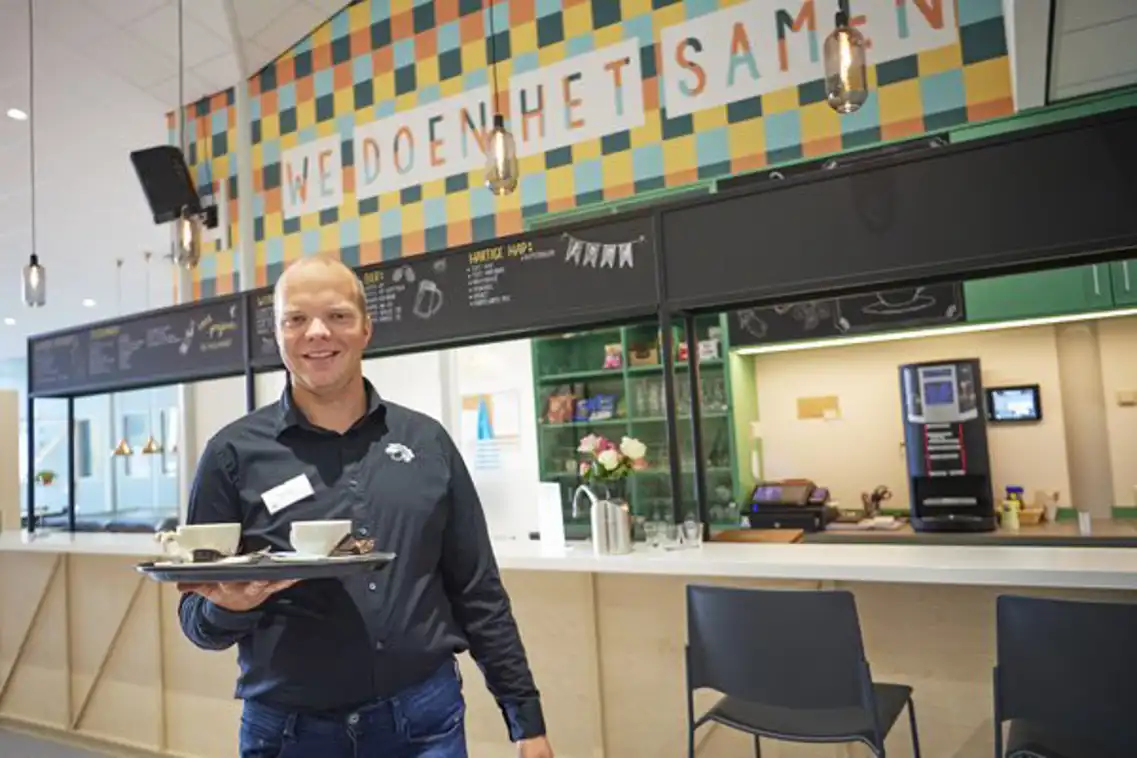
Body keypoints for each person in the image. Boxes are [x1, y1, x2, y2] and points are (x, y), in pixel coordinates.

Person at [177, 257, 554, 758]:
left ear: (366, 329)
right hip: (289, 735)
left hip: (424, 724)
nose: (317, 333)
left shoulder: (427, 443)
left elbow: (477, 590)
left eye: (337, 316)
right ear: (278, 334)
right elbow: (195, 619)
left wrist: (526, 722)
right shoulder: (232, 455)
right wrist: (229, 608)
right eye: (296, 319)